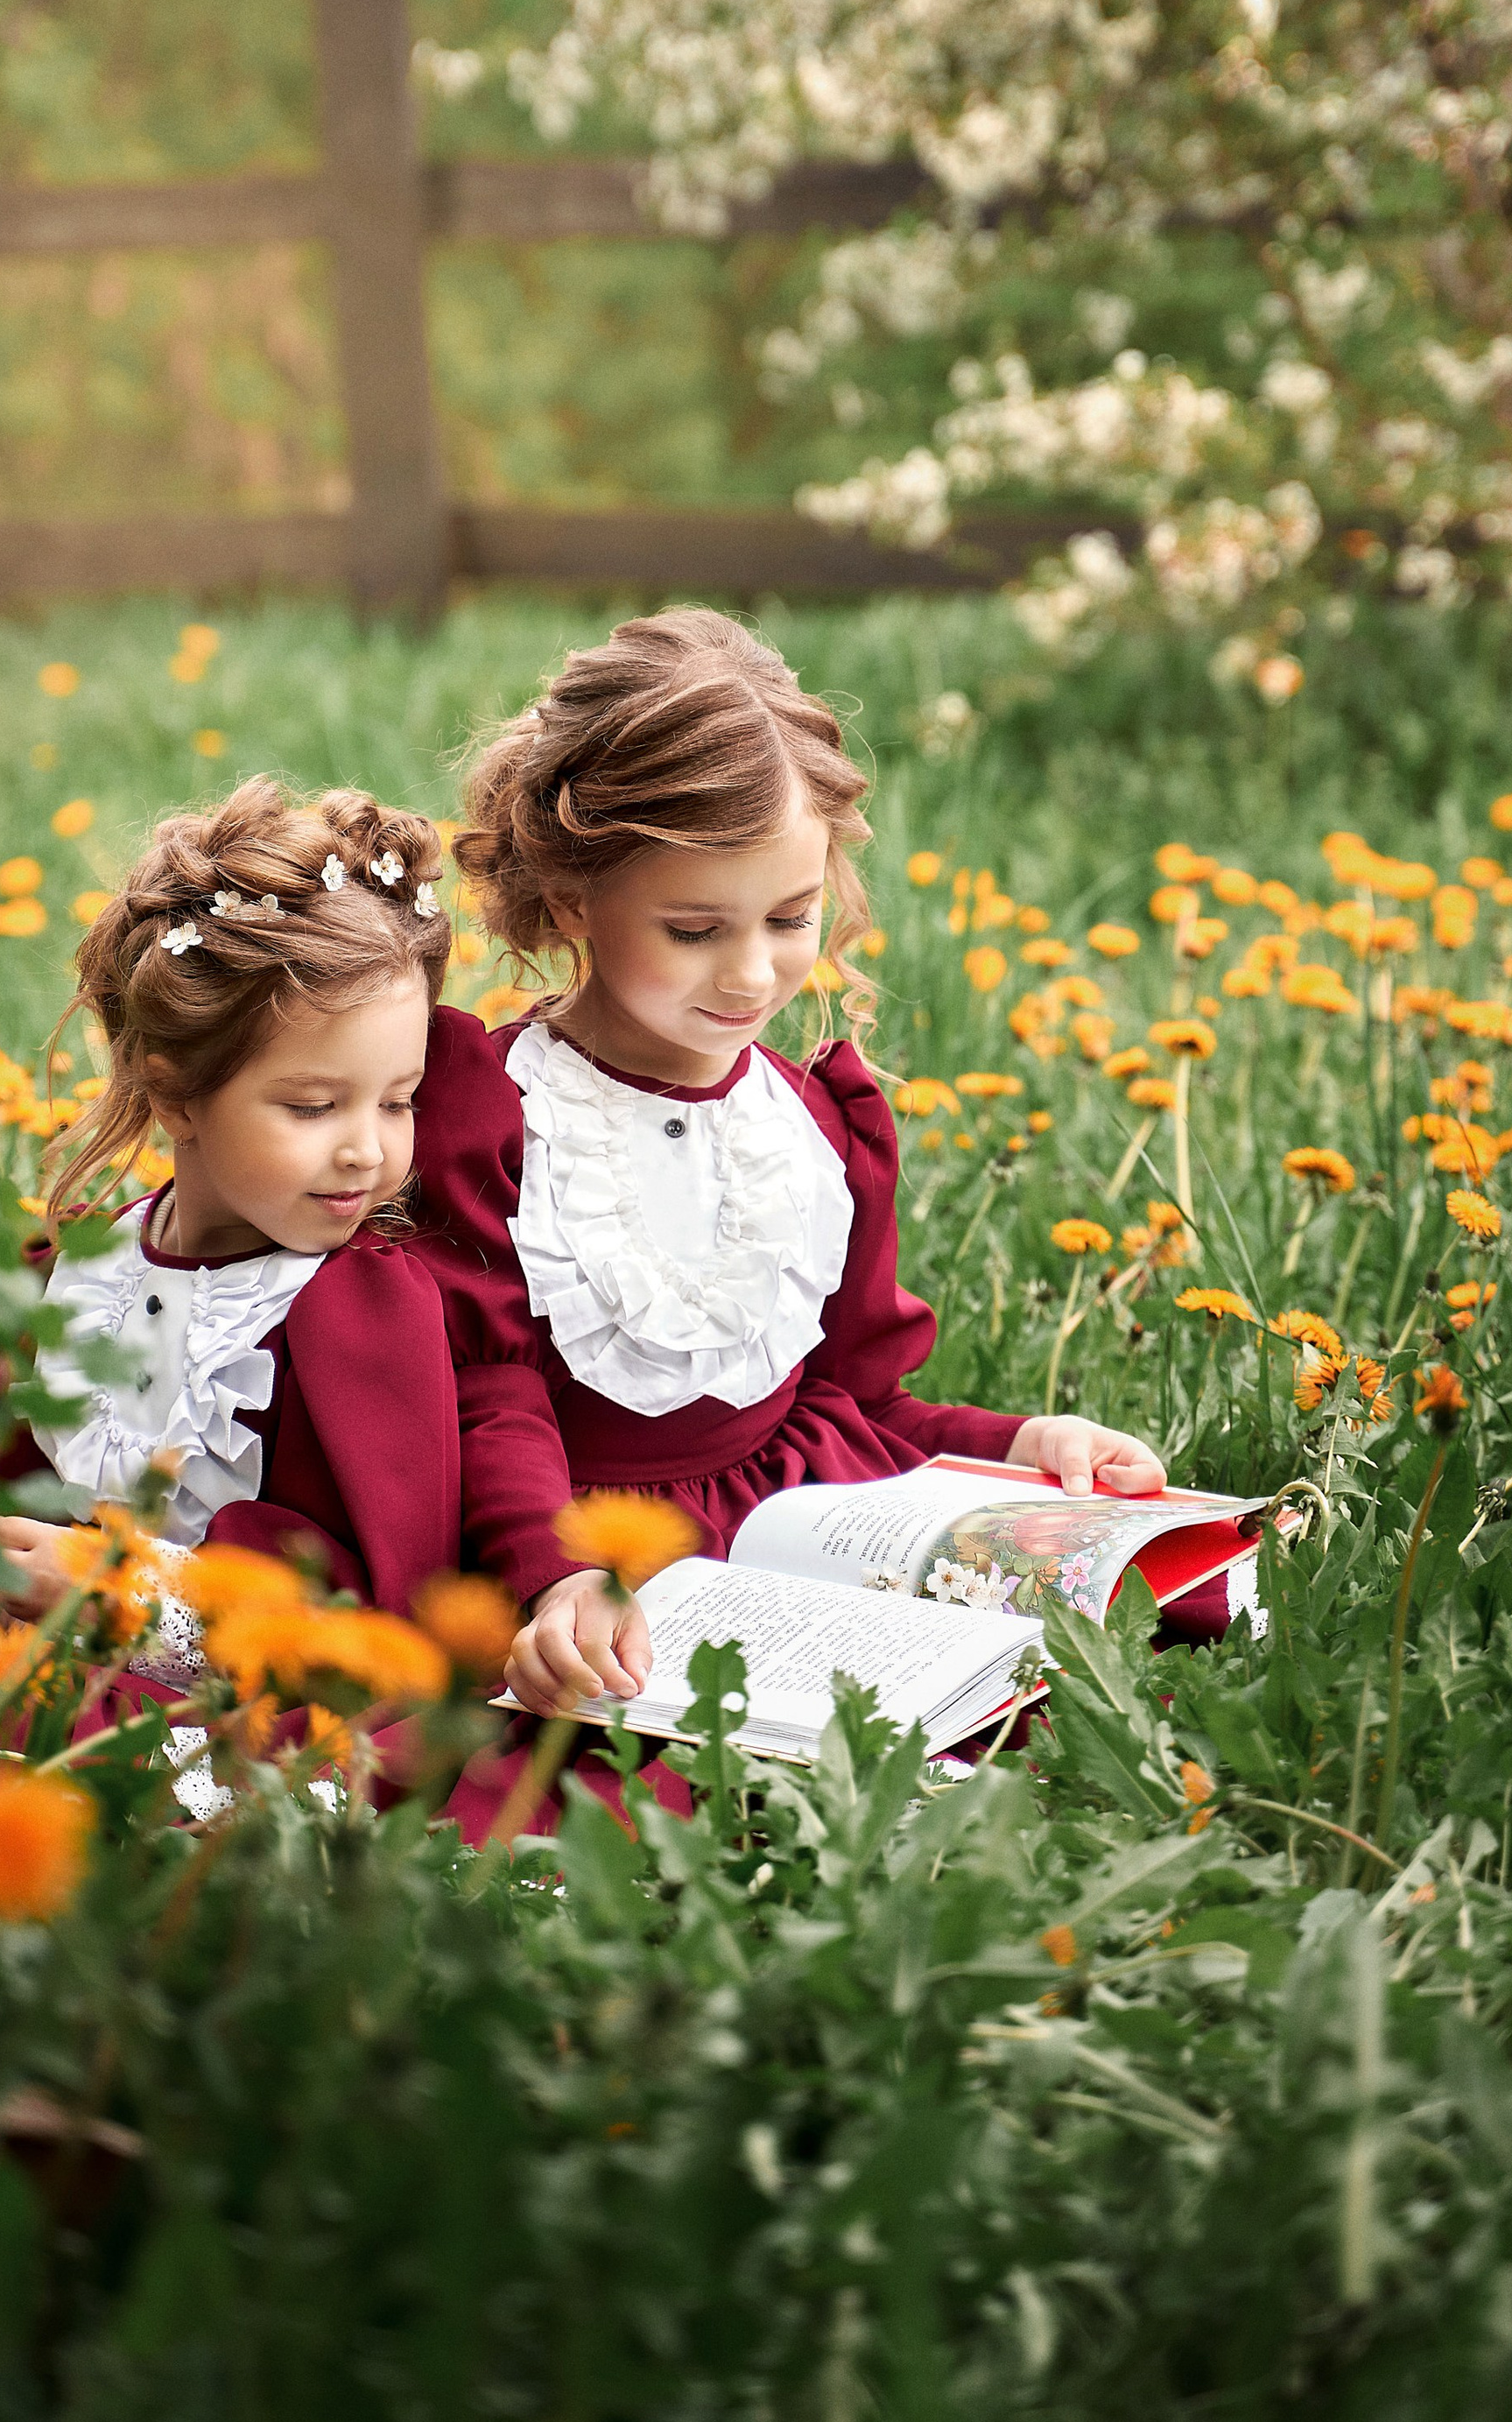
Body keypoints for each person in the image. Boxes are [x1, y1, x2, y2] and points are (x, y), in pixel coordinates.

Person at [408, 609, 1168, 1745]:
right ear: (575, 902)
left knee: (1139, 1626)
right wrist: (555, 1576)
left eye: (791, 916)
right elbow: (489, 1393)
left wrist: (1017, 1440)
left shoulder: (820, 1121)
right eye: (696, 926)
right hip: (590, 1556)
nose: (753, 970)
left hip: (807, 1526)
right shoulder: (500, 1111)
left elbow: (863, 1401)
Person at [0, 777, 463, 1722]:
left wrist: (118, 1600)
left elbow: (374, 1645)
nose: (366, 1148)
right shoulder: (71, 1279)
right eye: (313, 1106)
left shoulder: (353, 1317)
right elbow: (14, 1503)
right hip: (48, 1667)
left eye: (398, 1100)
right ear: (176, 1094)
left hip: (240, 1718)